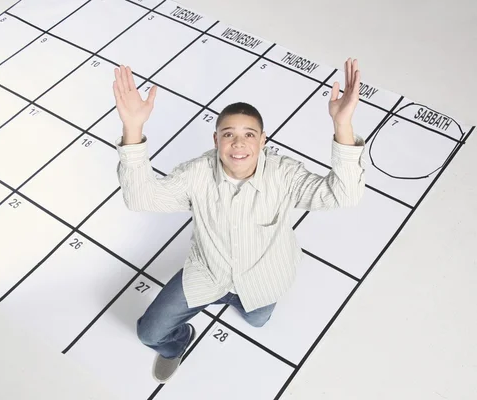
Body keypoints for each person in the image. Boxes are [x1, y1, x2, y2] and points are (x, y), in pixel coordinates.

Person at [112, 58, 366, 383]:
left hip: (264, 281)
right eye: (228, 134)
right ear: (216, 141)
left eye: (249, 134)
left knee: (257, 321)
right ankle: (178, 343)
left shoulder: (284, 174)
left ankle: (247, 306)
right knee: (150, 333)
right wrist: (133, 128)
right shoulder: (197, 173)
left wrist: (342, 125)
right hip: (206, 274)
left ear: (263, 141)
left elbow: (344, 195)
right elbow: (140, 198)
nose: (239, 142)